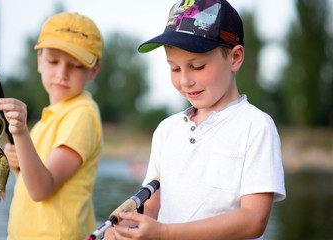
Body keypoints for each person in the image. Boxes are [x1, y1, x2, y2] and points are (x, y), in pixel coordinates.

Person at [105, 0, 286, 239]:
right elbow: (151, 208)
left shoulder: (256, 127)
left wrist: (165, 233)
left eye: (197, 66)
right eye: (175, 69)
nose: (185, 81)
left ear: (235, 58)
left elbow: (254, 220)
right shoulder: (166, 130)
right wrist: (124, 231)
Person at [0, 12, 103, 240]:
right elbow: (30, 186)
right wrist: (17, 168)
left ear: (94, 70)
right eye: (53, 61)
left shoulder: (82, 113)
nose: (62, 74)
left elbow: (41, 189)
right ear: (39, 61)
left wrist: (21, 133)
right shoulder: (44, 121)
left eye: (75, 65)